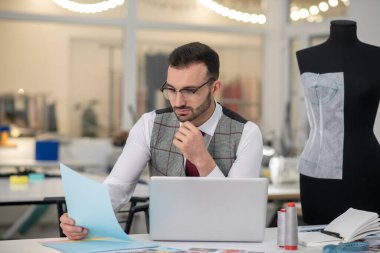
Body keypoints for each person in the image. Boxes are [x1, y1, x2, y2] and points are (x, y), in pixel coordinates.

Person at [60, 42, 263, 239]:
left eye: (190, 91)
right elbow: (117, 187)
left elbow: (237, 213)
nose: (178, 101)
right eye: (172, 90)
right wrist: (84, 218)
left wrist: (202, 159)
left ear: (214, 88)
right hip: (165, 243)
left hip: (226, 243)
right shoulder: (149, 124)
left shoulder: (247, 134)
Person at [296, 20, 380, 225]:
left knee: (366, 239)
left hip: (365, 168)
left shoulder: (376, 57)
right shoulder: (306, 57)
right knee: (315, 237)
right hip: (316, 170)